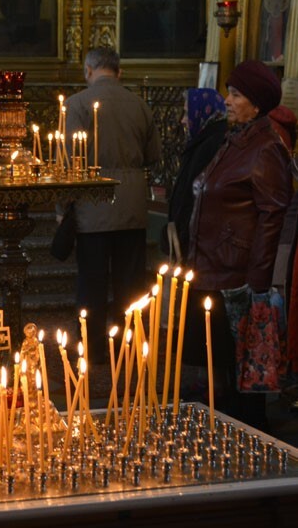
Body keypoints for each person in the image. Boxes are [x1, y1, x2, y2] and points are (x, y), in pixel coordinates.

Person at [186, 60, 292, 431]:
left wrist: (256, 285)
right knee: (222, 370)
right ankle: (225, 435)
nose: (227, 101)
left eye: (235, 95)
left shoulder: (265, 148)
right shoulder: (236, 140)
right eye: (228, 93)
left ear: (257, 104)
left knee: (243, 376)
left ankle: (249, 442)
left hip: (236, 278)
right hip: (212, 269)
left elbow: (272, 217)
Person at [64, 47, 162, 362]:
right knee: (130, 284)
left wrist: (62, 209)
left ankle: (91, 348)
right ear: (119, 72)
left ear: (88, 70)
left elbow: (68, 161)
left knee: (91, 283)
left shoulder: (76, 104)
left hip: (92, 204)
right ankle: (127, 347)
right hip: (132, 206)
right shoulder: (140, 105)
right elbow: (153, 155)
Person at [161, 89, 227, 263]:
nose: (183, 120)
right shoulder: (202, 141)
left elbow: (193, 196)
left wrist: (181, 234)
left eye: (187, 113)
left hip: (195, 241)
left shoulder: (210, 145)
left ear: (201, 112)